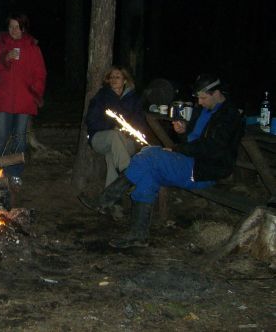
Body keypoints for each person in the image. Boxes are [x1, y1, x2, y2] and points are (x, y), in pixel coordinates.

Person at [81, 74, 243, 248]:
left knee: (150, 156)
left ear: (216, 93)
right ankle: (138, 235)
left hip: (203, 170)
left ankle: (106, 200)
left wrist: (177, 149)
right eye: (199, 98)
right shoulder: (201, 110)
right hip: (188, 161)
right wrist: (182, 133)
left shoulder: (229, 116)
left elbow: (211, 148)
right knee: (147, 175)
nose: (200, 102)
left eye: (203, 98)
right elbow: (191, 141)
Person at [0, 13, 47, 201]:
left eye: (17, 27)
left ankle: (16, 175)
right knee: (3, 137)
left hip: (24, 101)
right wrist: (5, 59)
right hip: (4, 100)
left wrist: (34, 93)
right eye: (11, 27)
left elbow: (40, 73)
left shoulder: (33, 49)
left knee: (19, 138)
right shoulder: (0, 45)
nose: (14, 30)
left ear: (24, 28)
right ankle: (1, 172)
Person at [86, 65, 146, 187]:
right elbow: (91, 120)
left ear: (125, 80)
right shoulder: (102, 96)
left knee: (112, 156)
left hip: (126, 141)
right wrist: (112, 125)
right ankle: (130, 173)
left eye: (117, 77)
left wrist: (127, 131)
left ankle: (111, 197)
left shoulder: (133, 99)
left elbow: (139, 123)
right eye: (111, 77)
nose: (114, 79)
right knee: (114, 135)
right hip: (101, 138)